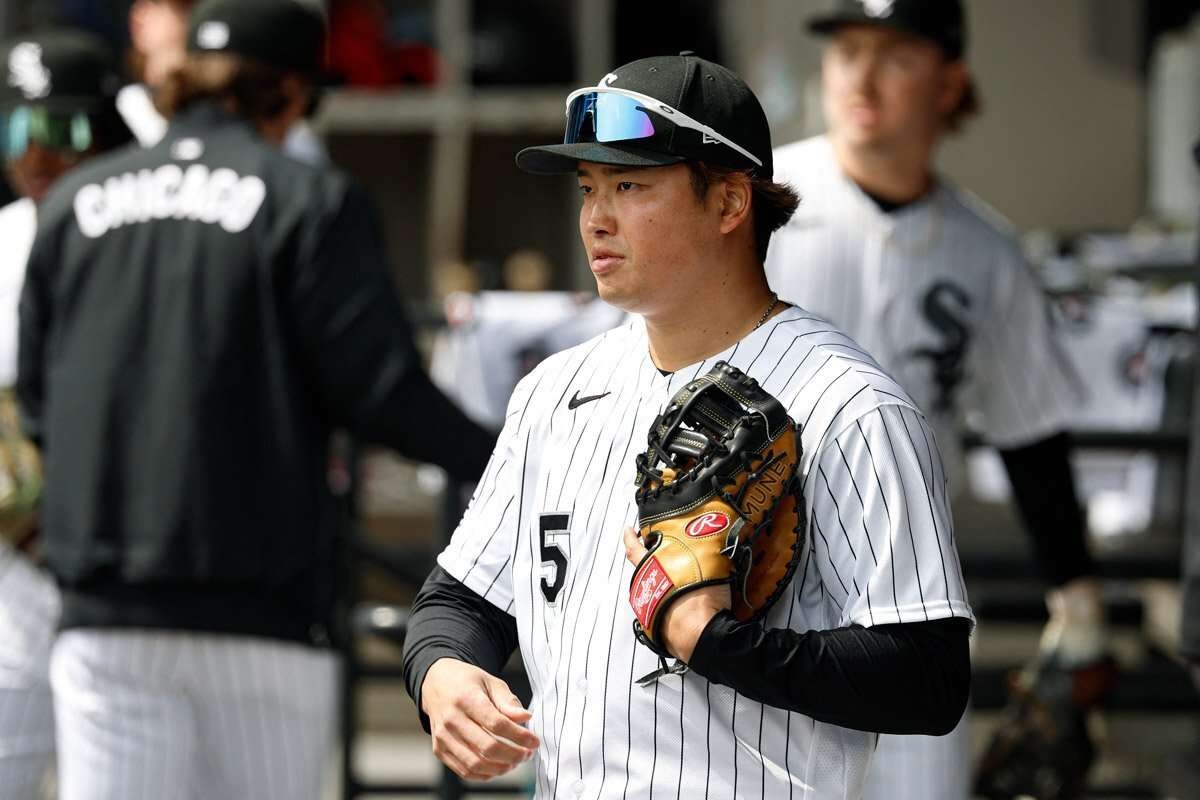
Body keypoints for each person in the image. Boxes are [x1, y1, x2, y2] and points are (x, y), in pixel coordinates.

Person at [403, 52, 973, 798]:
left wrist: (714, 642)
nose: (596, 218)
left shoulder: (850, 405)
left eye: (630, 185)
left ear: (730, 203)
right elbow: (460, 599)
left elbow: (930, 677)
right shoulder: (553, 392)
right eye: (588, 187)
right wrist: (442, 673)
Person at [15, 1, 494, 798]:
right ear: (292, 92)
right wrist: (509, 456)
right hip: (260, 607)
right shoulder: (308, 198)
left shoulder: (73, 203)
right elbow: (379, 390)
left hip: (104, 608)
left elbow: (38, 402)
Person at [763, 1, 1111, 797]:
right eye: (848, 50)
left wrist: (1080, 606)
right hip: (750, 590)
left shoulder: (986, 254)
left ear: (950, 83)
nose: (862, 76)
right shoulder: (750, 205)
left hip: (908, 601)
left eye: (895, 55)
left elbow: (1031, 436)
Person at [0, 28, 132, 799]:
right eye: (18, 128)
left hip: (125, 567)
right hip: (17, 563)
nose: (36, 153)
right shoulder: (5, 239)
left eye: (63, 128)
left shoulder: (147, 230)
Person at [120, 0, 327, 165]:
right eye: (187, 7)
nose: (206, 15)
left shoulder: (298, 140)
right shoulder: (109, 123)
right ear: (140, 22)